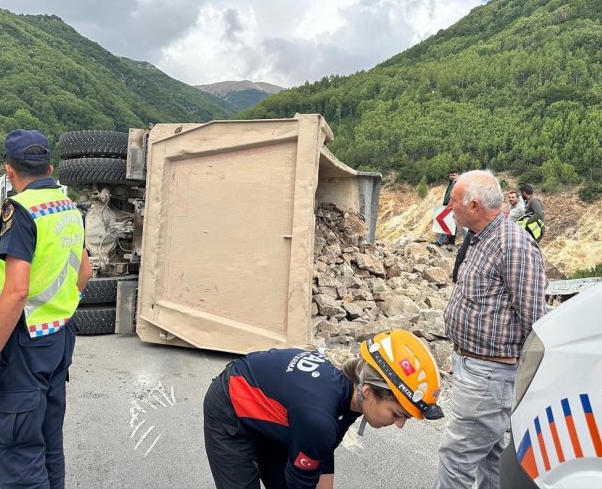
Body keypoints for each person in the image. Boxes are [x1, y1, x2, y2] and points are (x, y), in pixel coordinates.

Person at [0, 129, 92, 488]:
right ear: (50, 167)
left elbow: (16, 290)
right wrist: (61, 307)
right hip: (59, 337)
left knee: (20, 447)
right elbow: (84, 271)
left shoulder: (19, 211)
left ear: (9, 171)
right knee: (48, 439)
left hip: (24, 344)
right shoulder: (69, 208)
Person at [204, 329, 444, 489]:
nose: (400, 424)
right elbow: (304, 477)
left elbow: (323, 451)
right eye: (397, 414)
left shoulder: (353, 390)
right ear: (369, 391)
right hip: (231, 405)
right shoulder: (319, 417)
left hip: (283, 411)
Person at [435, 171, 546, 489]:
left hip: (489, 374)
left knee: (456, 457)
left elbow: (534, 319)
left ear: (473, 205)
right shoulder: (481, 237)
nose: (448, 207)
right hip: (474, 366)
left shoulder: (513, 245)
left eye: (453, 201)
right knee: (491, 456)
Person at [435, 170, 458, 246]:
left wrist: (451, 204)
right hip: (447, 204)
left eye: (453, 175)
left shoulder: (457, 183)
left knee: (445, 222)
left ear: (457, 175)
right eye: (451, 175)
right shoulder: (451, 183)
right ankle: (450, 240)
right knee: (451, 223)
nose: (452, 177)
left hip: (451, 205)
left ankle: (440, 242)